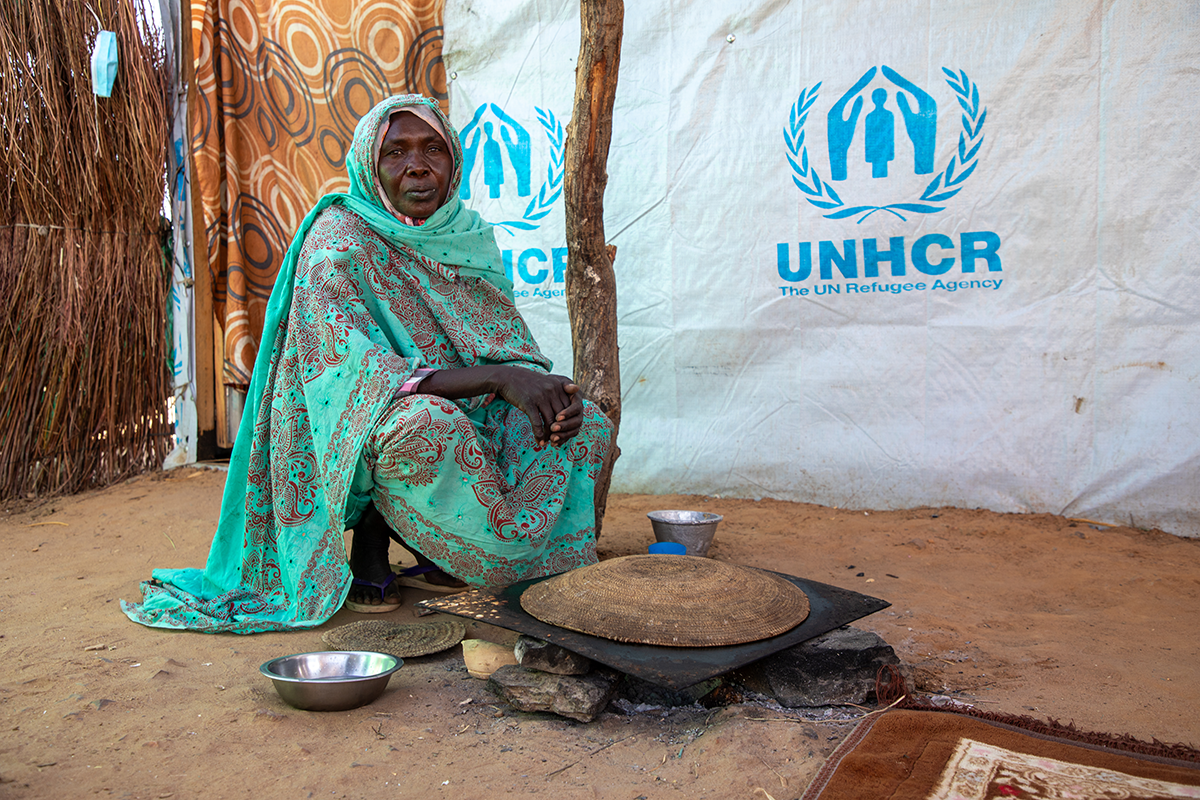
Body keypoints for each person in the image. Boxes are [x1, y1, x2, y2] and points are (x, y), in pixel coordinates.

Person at [122, 94, 613, 633]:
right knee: (425, 423)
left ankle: (456, 549)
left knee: (583, 421)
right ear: (368, 166)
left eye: (433, 149)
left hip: (455, 412)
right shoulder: (336, 239)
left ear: (454, 160)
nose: (418, 165)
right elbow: (352, 378)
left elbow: (502, 347)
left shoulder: (467, 237)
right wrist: (500, 379)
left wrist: (543, 394)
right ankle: (372, 543)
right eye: (395, 152)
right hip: (344, 428)